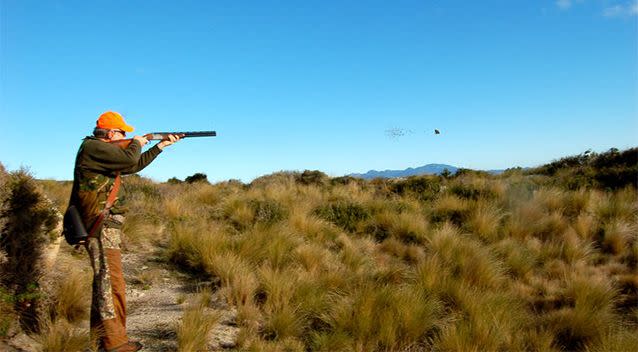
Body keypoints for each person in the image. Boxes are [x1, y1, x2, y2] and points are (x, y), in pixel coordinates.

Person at [69, 111, 180, 352]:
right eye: (122, 132)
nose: (126, 136)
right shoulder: (92, 147)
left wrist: (160, 145)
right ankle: (114, 344)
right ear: (110, 134)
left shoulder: (100, 151)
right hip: (100, 226)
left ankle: (102, 340)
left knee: (106, 283)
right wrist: (138, 143)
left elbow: (132, 165)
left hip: (104, 226)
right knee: (111, 285)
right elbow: (130, 160)